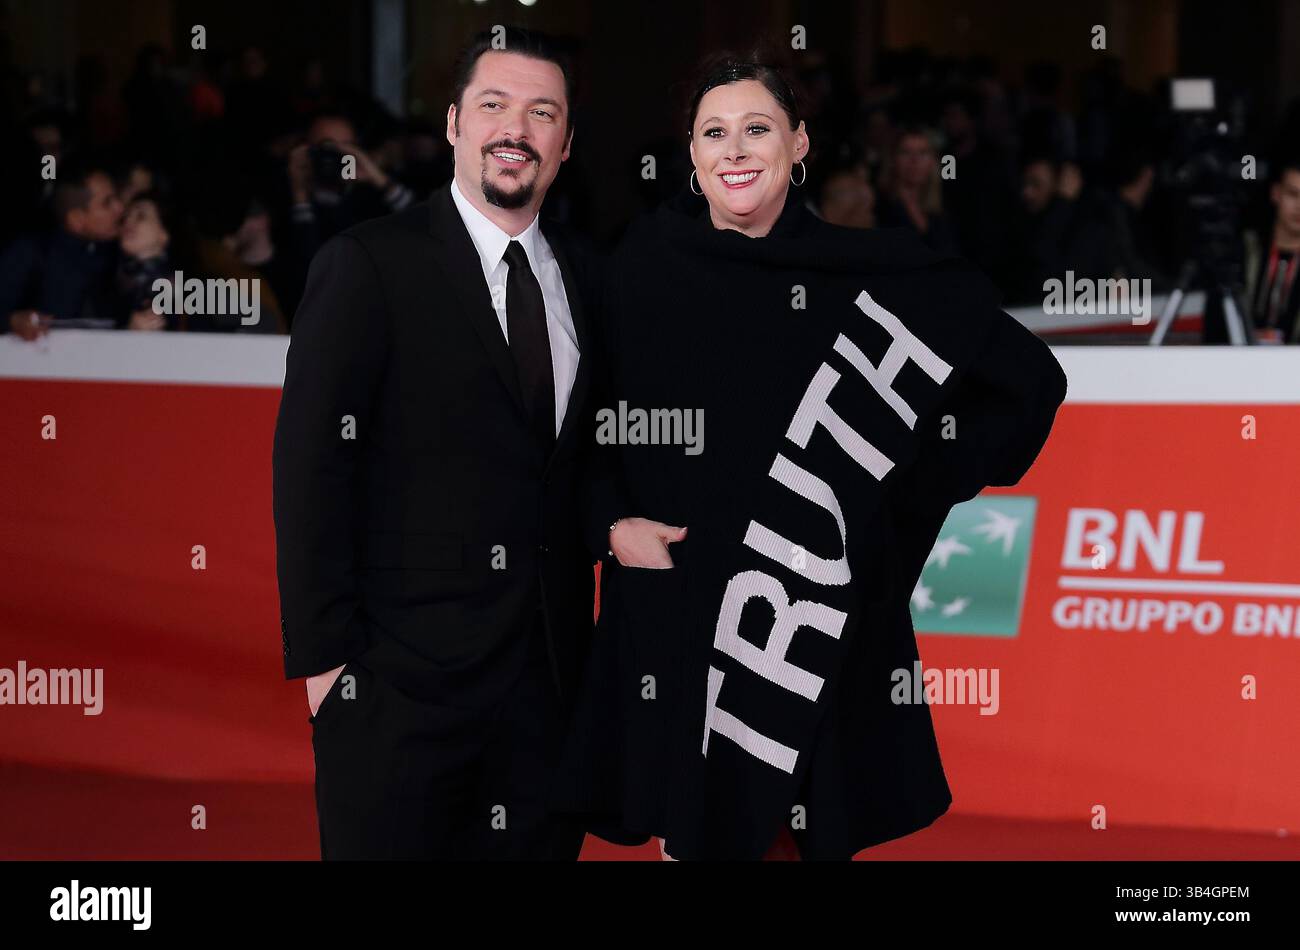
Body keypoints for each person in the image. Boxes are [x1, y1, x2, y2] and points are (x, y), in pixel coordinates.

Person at [550, 57, 1068, 861]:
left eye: (757, 128)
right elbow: (588, 434)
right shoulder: (641, 270)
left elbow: (1024, 383)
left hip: (807, 627)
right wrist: (612, 526)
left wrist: (888, 508)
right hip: (681, 626)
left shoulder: (867, 276)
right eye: (714, 132)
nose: (735, 149)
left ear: (799, 144)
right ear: (691, 155)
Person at [272, 26, 604, 860]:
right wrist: (329, 677)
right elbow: (312, 469)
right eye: (493, 105)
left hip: (544, 702)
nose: (515, 129)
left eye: (542, 112)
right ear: (454, 125)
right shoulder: (368, 264)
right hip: (397, 699)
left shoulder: (592, 279)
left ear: (565, 143)